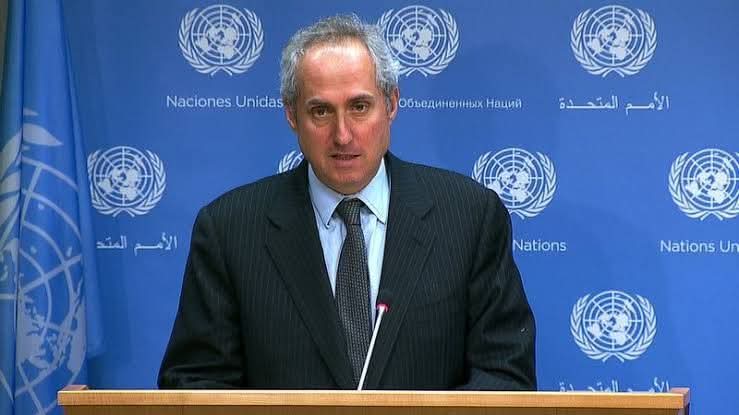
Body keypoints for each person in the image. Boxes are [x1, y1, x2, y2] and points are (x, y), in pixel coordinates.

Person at [158, 14, 536, 391]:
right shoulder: (229, 230)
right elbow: (195, 384)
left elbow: (505, 376)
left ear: (391, 104)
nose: (342, 135)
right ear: (292, 115)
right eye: (321, 111)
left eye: (359, 107)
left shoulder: (469, 217)